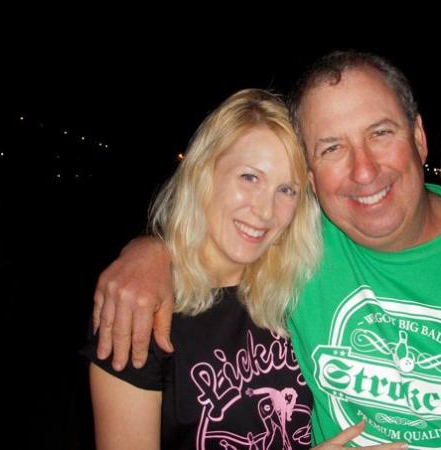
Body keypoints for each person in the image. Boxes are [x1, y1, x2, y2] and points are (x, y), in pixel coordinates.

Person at [91, 52, 441, 449]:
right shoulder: (301, 248)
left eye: (380, 133)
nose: (363, 171)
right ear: (315, 176)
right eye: (332, 147)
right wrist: (151, 251)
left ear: (419, 138)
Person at [82, 88, 408, 450]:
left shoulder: (301, 289)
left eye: (287, 189)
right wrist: (150, 249)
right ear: (204, 170)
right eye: (249, 178)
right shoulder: (139, 311)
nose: (265, 211)